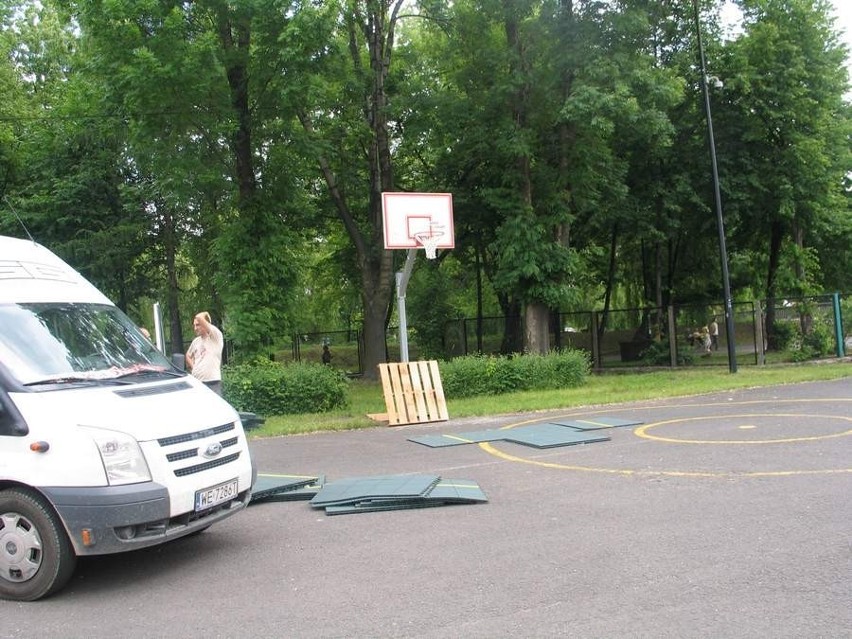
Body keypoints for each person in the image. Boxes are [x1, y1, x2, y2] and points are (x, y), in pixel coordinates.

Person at [186, 311, 224, 395]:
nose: (195, 328)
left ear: (206, 324)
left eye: (198, 325)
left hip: (212, 383)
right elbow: (188, 355)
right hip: (198, 382)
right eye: (194, 325)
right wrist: (194, 367)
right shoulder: (196, 341)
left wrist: (205, 314)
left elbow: (199, 316)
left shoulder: (215, 337)